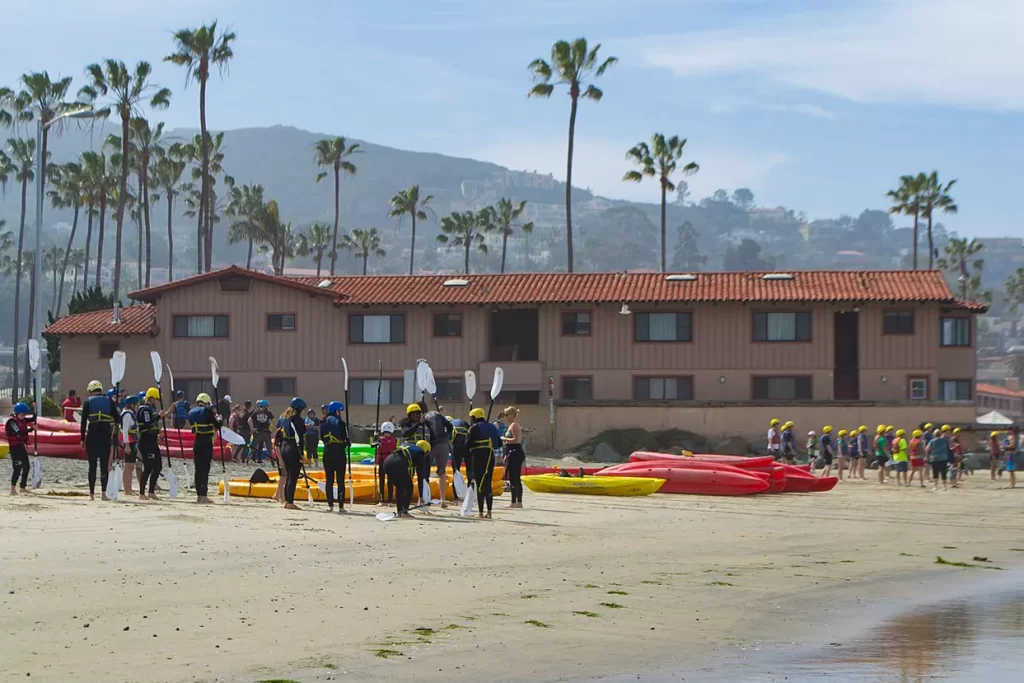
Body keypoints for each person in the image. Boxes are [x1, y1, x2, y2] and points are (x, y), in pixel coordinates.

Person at [80, 380, 116, 501]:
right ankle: (104, 494)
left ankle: (91, 494)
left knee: (92, 466)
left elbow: (83, 422)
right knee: (104, 466)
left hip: (92, 437)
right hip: (105, 437)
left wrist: (82, 439)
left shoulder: (87, 403)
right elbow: (117, 418)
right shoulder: (110, 402)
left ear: (91, 391)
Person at [382, 440, 431, 518]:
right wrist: (421, 496)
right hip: (398, 463)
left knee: (400, 486)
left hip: (387, 462)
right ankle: (404, 512)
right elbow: (420, 477)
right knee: (409, 486)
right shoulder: (420, 454)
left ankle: (400, 511)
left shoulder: (409, 446)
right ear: (426, 450)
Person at [187, 393, 220, 504]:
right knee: (205, 469)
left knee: (198, 469)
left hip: (197, 442)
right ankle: (204, 495)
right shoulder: (207, 411)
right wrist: (219, 419)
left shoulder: (191, 412)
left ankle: (198, 495)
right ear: (206, 402)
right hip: (206, 442)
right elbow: (217, 424)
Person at [468, 407, 500, 519]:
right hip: (490, 456)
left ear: (474, 417)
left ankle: (481, 512)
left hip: (478, 457)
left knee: (479, 483)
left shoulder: (474, 428)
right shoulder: (492, 427)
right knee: (487, 483)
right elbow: (498, 444)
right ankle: (489, 512)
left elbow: (468, 444)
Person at [136, 388, 166, 500]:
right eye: (157, 399)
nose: (157, 402)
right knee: (148, 467)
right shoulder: (144, 410)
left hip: (152, 441)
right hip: (145, 441)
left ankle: (151, 491)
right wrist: (158, 416)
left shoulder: (152, 410)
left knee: (158, 466)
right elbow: (147, 424)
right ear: (151, 398)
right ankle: (142, 493)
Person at [278, 397, 308, 510]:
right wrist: (300, 454)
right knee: (293, 476)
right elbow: (298, 438)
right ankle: (290, 502)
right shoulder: (297, 420)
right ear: (299, 409)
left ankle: (286, 501)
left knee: (288, 476)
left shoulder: (284, 418)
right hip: (292, 448)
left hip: (284, 447)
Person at [320, 401, 350, 513]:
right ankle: (341, 506)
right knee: (340, 480)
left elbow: (322, 438)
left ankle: (330, 505)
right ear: (336, 411)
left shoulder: (323, 423)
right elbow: (347, 440)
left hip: (327, 452)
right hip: (339, 452)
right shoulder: (341, 423)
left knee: (329, 480)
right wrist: (347, 442)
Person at [423, 405, 454, 508]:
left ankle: (424, 499)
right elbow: (450, 426)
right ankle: (443, 500)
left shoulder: (423, 417)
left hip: (431, 444)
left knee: (425, 471)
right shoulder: (437, 414)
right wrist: (447, 435)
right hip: (443, 444)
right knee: (442, 472)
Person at [6, 402, 35, 495]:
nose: (23, 417)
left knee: (26, 466)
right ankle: (13, 489)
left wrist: (35, 409)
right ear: (17, 413)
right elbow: (19, 432)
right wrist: (31, 429)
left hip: (21, 447)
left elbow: (33, 418)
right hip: (14, 449)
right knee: (17, 468)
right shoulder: (12, 422)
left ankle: (23, 487)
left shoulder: (22, 419)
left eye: (24, 415)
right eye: (22, 415)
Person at [501, 406, 526, 508]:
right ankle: (515, 501)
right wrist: (506, 455)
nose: (505, 417)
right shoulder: (511, 425)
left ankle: (517, 502)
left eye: (507, 415)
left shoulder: (515, 425)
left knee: (515, 477)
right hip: (511, 452)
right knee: (512, 477)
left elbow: (516, 440)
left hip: (516, 452)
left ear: (512, 415)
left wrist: (504, 438)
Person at [119, 394, 141, 496]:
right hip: (129, 443)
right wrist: (127, 445)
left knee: (131, 466)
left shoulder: (131, 413)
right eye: (136, 404)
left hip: (133, 442)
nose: (137, 406)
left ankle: (130, 488)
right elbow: (125, 431)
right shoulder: (127, 414)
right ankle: (126, 490)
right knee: (128, 466)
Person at [374, 421, 398, 506]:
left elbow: (372, 445)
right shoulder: (395, 439)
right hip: (391, 461)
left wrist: (375, 437)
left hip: (382, 461)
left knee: (382, 480)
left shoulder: (380, 439)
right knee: (390, 481)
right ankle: (390, 501)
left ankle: (382, 500)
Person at [449, 417, 470, 500]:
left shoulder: (450, 425)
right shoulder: (463, 422)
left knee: (456, 470)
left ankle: (456, 496)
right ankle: (470, 493)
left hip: (457, 448)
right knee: (470, 471)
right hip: (467, 447)